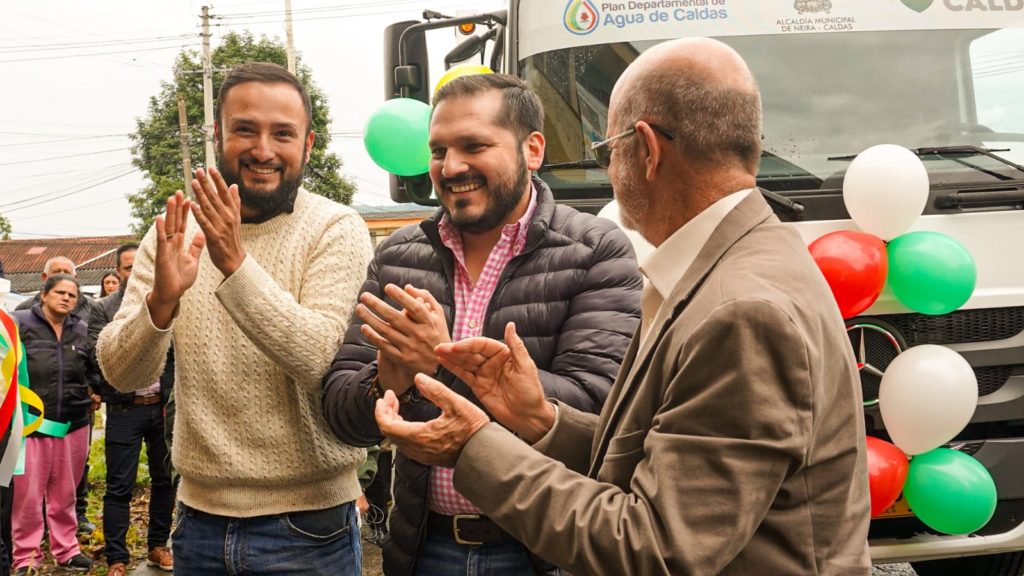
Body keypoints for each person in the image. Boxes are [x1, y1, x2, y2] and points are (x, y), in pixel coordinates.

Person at [373, 38, 873, 575]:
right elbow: (660, 457)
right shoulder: (743, 263)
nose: (610, 170)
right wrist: (541, 419)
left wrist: (473, 446)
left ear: (647, 149)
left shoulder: (741, 309)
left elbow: (655, 548)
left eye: (605, 151)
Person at [322, 73, 642, 576]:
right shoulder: (399, 256)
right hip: (424, 548)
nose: (450, 167)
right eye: (437, 151)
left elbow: (598, 416)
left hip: (544, 549)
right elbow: (340, 415)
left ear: (532, 149)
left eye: (474, 145)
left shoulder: (597, 250)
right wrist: (390, 380)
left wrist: (438, 363)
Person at [96, 62, 374, 575]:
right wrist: (160, 304)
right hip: (198, 524)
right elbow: (121, 373)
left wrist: (233, 263)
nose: (263, 150)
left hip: (310, 528)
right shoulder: (172, 233)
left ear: (308, 145)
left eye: (282, 134)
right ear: (219, 137)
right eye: (245, 129)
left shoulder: (336, 228)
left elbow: (324, 361)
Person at [90, 243, 175, 576]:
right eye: (128, 267)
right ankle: (117, 559)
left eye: (142, 265)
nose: (135, 272)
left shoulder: (171, 302)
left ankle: (157, 546)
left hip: (161, 409)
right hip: (125, 409)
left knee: (164, 481)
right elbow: (95, 357)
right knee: (119, 487)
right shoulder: (104, 308)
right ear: (119, 271)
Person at [10, 274, 95, 574]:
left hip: (73, 422)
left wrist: (96, 390)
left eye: (72, 295)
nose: (66, 299)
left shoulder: (83, 330)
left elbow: (94, 369)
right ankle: (26, 557)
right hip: (32, 425)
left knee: (66, 494)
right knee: (28, 496)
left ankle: (67, 550)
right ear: (43, 295)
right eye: (60, 292)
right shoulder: (18, 324)